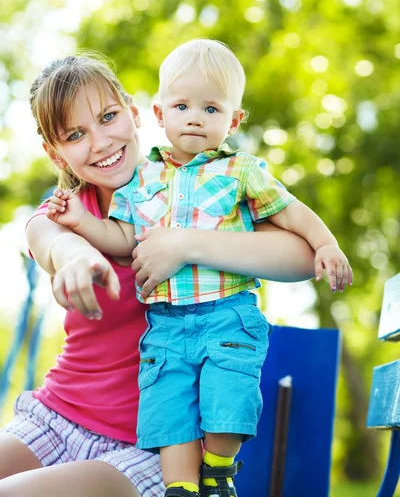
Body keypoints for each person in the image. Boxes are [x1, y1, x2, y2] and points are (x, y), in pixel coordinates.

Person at [0, 53, 317, 497]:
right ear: (56, 153)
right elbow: (54, 243)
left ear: (133, 114)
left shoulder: (205, 192)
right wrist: (74, 259)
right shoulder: (63, 214)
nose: (100, 142)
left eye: (108, 117)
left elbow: (303, 255)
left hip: (156, 445)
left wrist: (183, 243)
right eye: (75, 134)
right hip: (55, 416)